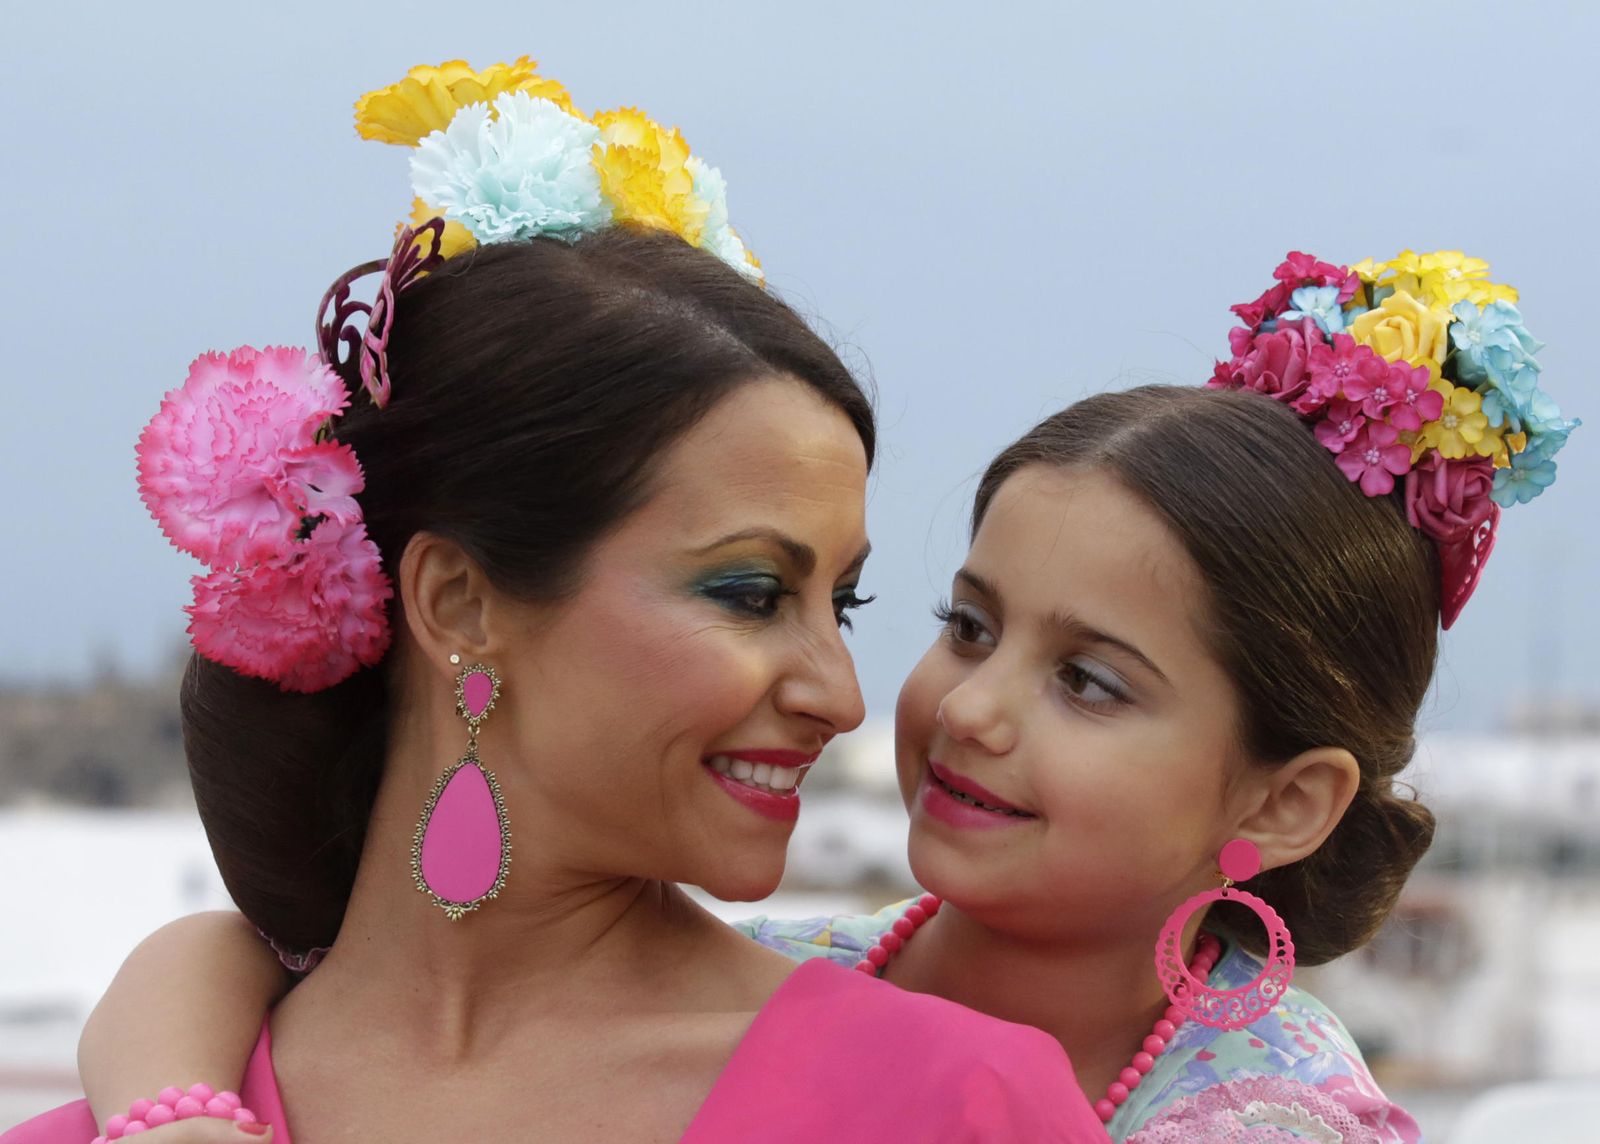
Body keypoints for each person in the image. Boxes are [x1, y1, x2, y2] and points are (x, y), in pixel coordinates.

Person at [2, 57, 1107, 1144]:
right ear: (461, 604)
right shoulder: (126, 1116)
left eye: (844, 604)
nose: (841, 695)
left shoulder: (953, 1104)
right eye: (753, 592)